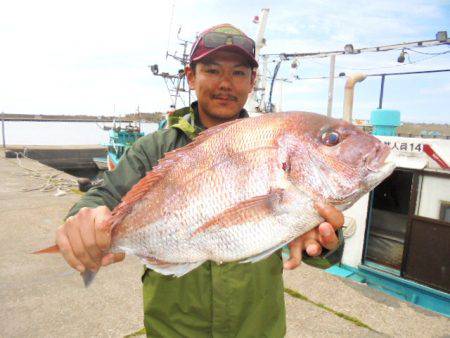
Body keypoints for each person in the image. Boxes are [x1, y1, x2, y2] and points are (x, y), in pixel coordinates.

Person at [57, 23, 344, 337]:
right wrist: (82, 222)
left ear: (252, 82)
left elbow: (320, 255)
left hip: (257, 328)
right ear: (191, 76)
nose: (225, 83)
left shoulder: (274, 148)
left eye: (238, 73)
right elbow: (103, 195)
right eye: (211, 70)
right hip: (174, 329)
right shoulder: (154, 149)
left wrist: (325, 243)